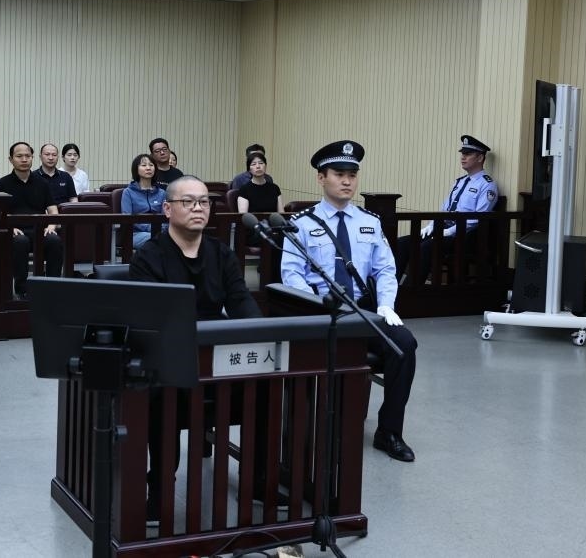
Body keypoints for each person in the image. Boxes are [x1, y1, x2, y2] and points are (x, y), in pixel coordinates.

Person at [130, 175, 261, 521]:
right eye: (188, 202)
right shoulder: (148, 257)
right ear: (167, 209)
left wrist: (260, 331)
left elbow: (241, 301)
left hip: (216, 357)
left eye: (203, 201)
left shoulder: (221, 253)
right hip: (170, 359)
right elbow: (150, 320)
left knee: (267, 385)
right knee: (162, 393)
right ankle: (160, 487)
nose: (198, 208)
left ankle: (259, 480)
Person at [280, 140, 417, 462]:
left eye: (352, 176)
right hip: (323, 311)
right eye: (339, 174)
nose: (347, 182)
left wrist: (386, 305)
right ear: (321, 178)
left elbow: (385, 269)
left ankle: (389, 431)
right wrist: (315, 307)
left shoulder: (369, 221)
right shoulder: (302, 223)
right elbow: (292, 274)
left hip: (362, 310)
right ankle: (310, 431)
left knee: (404, 346)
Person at [394, 135, 499, 284]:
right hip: (445, 229)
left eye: (468, 154)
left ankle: (411, 289)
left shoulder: (487, 185)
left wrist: (450, 231)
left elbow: (477, 218)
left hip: (465, 235)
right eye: (462, 153)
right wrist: (431, 226)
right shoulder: (460, 182)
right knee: (403, 243)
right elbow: (445, 210)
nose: (463, 157)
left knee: (426, 247)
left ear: (480, 157)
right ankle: (390, 288)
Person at [0, 142, 62, 300]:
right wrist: (9, 228)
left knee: (54, 240)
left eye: (27, 156)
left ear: (32, 158)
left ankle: (54, 286)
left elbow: (53, 211)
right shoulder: (2, 184)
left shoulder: (42, 183)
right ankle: (22, 289)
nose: (24, 159)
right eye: (19, 156)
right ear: (10, 159)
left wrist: (51, 226)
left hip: (39, 230)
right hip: (14, 232)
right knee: (20, 242)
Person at [121, 153, 166, 248]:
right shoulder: (128, 192)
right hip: (135, 233)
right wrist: (151, 228)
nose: (148, 168)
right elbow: (127, 218)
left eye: (151, 165)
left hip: (159, 232)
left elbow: (166, 217)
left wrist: (161, 229)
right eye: (144, 165)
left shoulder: (162, 193)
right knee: (158, 240)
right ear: (136, 169)